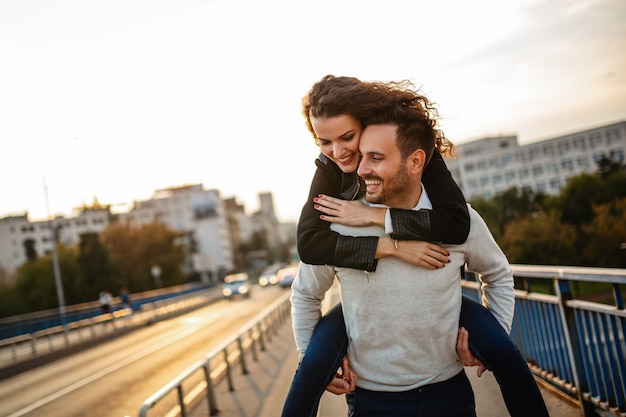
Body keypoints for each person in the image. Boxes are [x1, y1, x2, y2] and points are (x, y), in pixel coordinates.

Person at [282, 75, 549, 417]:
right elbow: (306, 281)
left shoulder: (453, 213)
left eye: (350, 140)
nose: (344, 156)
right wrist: (391, 247)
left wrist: (485, 345)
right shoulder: (336, 211)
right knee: (315, 361)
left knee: (503, 352)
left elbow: (494, 270)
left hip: (448, 395)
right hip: (372, 400)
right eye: (325, 143)